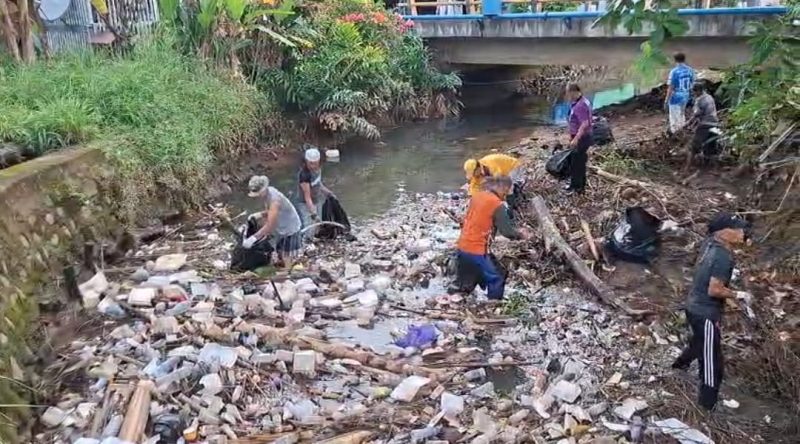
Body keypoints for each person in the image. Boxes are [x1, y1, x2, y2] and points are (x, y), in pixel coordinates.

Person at [672, 213, 753, 411]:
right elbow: (714, 289)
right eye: (738, 229)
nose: (742, 233)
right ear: (724, 233)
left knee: (699, 342)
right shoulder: (722, 256)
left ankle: (678, 367)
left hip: (693, 306)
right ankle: (706, 405)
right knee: (712, 362)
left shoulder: (710, 244)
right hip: (705, 313)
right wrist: (739, 295)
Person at [453, 176, 530, 300]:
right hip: (477, 249)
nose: (505, 196)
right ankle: (493, 306)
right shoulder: (496, 204)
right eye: (506, 192)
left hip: (462, 246)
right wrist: (521, 234)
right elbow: (507, 231)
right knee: (497, 277)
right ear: (504, 188)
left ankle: (459, 301)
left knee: (466, 281)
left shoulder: (477, 196)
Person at [243, 175, 303, 268]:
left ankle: (288, 275)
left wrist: (254, 238)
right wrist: (260, 214)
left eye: (258, 193)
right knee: (280, 251)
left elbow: (270, 225)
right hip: (281, 227)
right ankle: (283, 267)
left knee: (287, 256)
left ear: (263, 189)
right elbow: (271, 212)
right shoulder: (268, 192)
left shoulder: (275, 200)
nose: (257, 196)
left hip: (290, 228)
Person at [297, 146, 334, 238]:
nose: (313, 166)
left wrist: (328, 193)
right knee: (309, 226)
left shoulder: (318, 169)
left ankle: (315, 241)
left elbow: (318, 183)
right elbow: (307, 197)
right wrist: (313, 213)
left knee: (318, 224)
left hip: (316, 200)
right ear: (306, 161)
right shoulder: (304, 175)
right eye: (311, 163)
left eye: (315, 163)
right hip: (305, 204)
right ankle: (306, 243)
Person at [565, 83, 593, 194]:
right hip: (580, 136)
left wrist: (576, 138)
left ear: (574, 92)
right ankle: (575, 185)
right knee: (576, 161)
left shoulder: (580, 105)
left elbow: (584, 123)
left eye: (569, 92)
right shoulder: (580, 101)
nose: (568, 95)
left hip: (582, 138)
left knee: (577, 163)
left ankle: (578, 188)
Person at [686, 83, 721, 168]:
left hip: (705, 125)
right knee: (711, 149)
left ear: (698, 91)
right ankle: (714, 170)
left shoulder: (700, 100)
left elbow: (696, 114)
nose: (693, 94)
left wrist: (687, 123)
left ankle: (686, 170)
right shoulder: (710, 97)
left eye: (694, 92)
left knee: (693, 148)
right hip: (715, 124)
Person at [665, 52, 695, 134]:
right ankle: (683, 131)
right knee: (682, 114)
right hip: (686, 95)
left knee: (674, 117)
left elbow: (671, 87)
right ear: (684, 59)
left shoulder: (674, 71)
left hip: (676, 96)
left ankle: (676, 134)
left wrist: (666, 100)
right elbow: (693, 84)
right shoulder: (690, 70)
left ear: (675, 60)